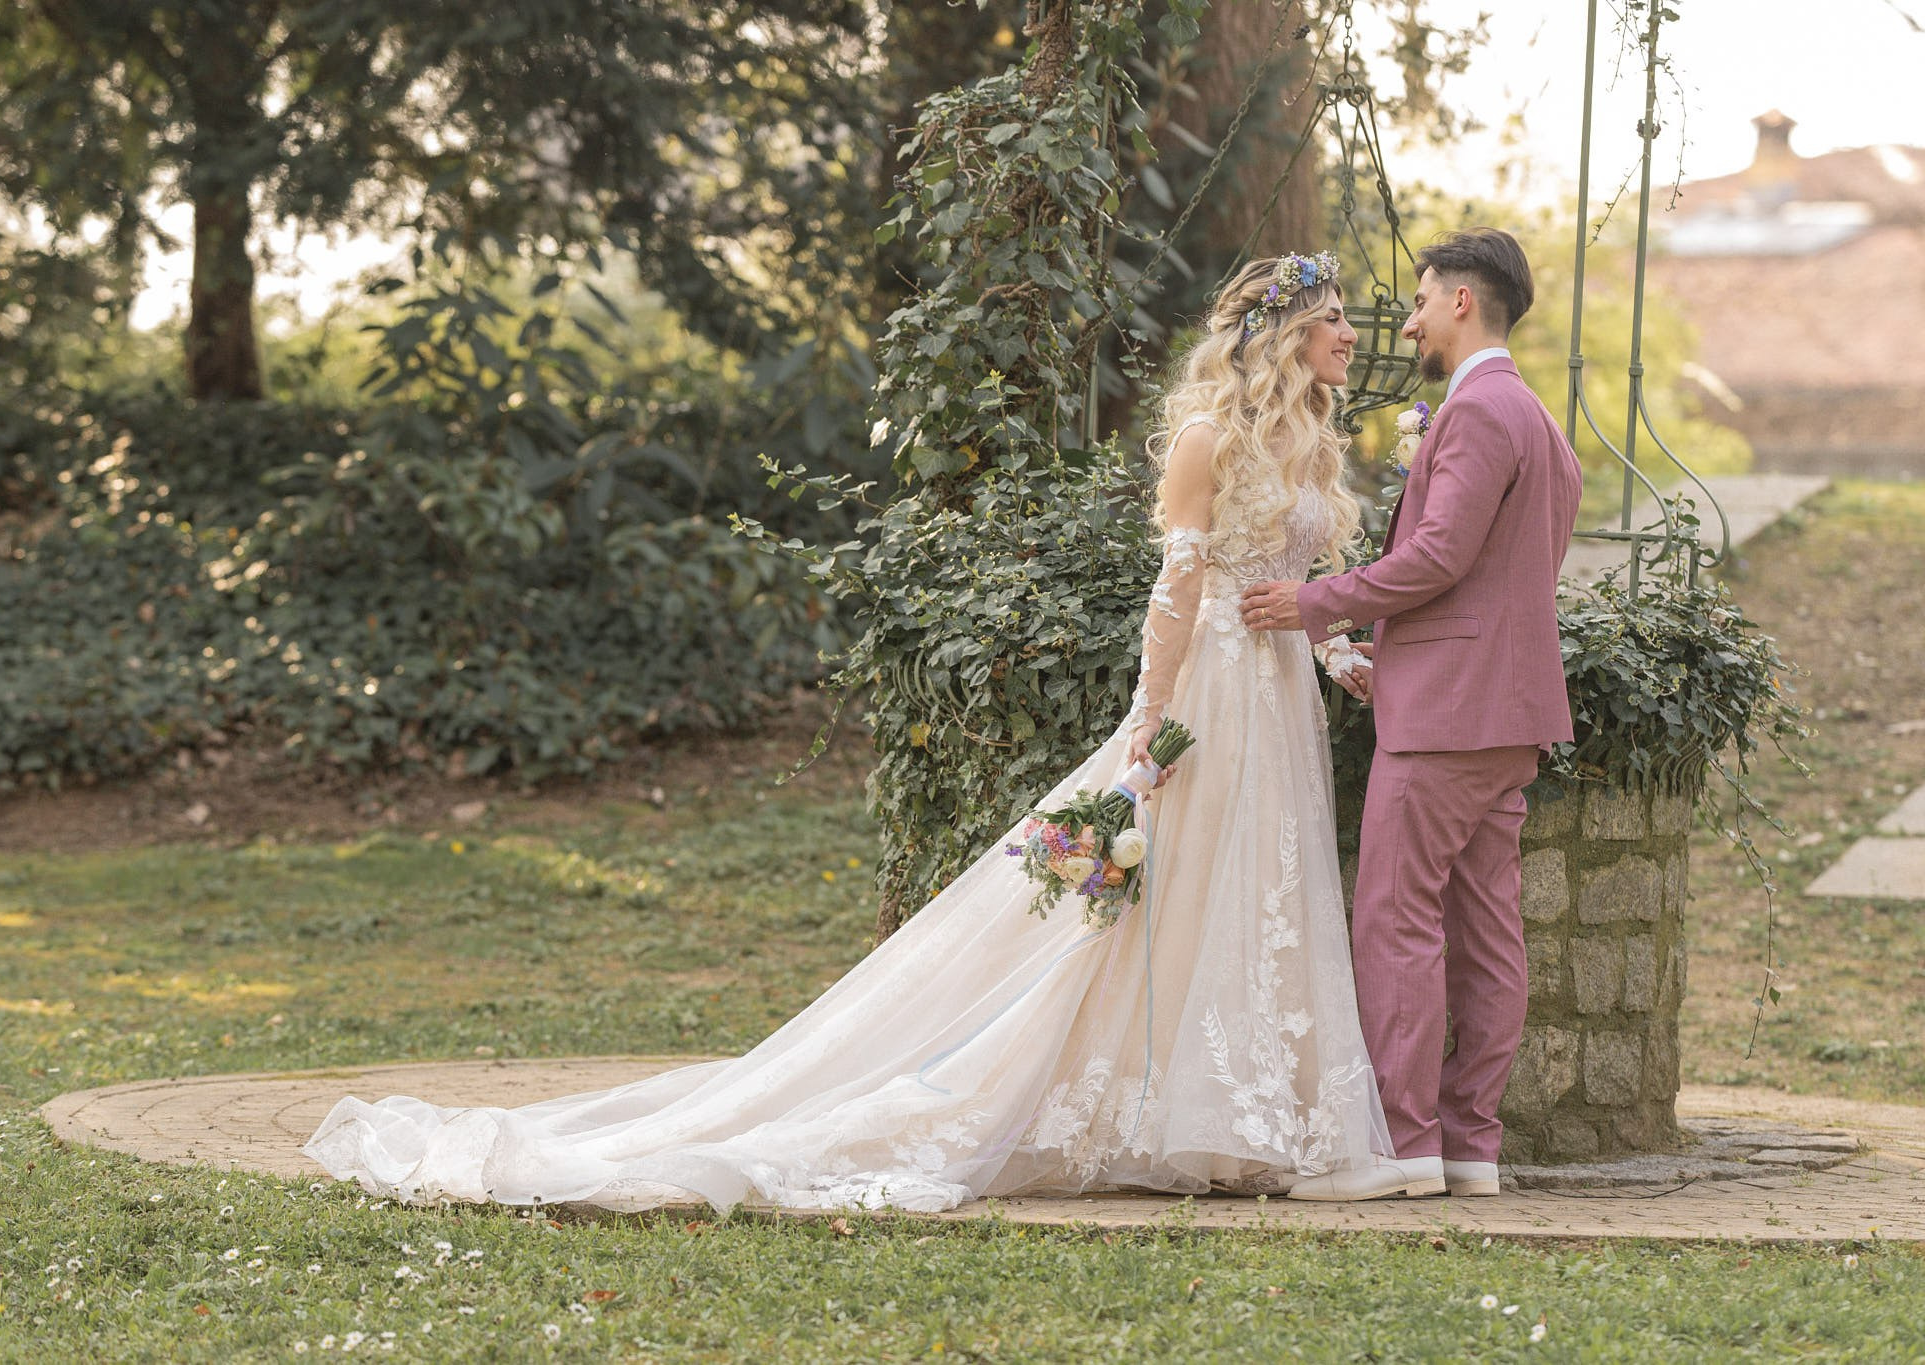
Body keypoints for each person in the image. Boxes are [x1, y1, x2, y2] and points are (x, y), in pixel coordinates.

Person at [304, 252, 1393, 1213]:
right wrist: (1147, 723)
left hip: (1276, 698)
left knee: (1255, 885)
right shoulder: (1204, 438)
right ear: (1284, 335)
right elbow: (1176, 586)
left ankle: (1239, 1118)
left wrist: (1336, 655)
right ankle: (1166, 1111)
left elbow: (1287, 588)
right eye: (1336, 319)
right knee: (1164, 893)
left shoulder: (1309, 449)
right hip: (1206, 694)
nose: (1351, 335)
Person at [1242, 227, 1583, 1201]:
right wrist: (1383, 660)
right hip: (1500, 714)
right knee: (1485, 934)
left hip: (1446, 725)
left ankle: (1400, 1147)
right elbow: (1488, 585)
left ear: (1462, 303)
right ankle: (1468, 1146)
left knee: (1395, 921)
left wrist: (1315, 604)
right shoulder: (1536, 421)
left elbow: (1436, 556)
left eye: (1421, 299)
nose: (1407, 318)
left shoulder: (1476, 412)